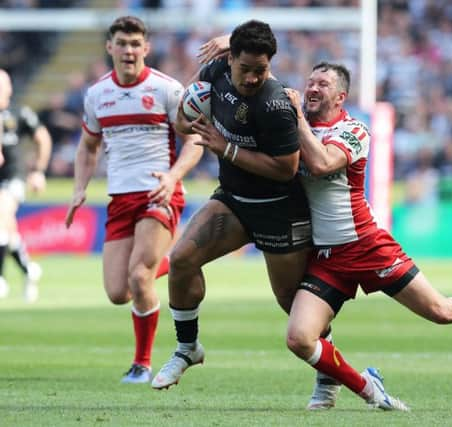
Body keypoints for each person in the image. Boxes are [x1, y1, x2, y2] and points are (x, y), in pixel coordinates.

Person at [283, 62, 452, 411]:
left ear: (340, 96)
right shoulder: (295, 128)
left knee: (441, 311)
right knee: (298, 338)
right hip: (327, 255)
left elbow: (323, 163)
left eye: (321, 84)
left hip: (367, 245)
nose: (311, 87)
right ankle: (368, 389)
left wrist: (294, 117)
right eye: (309, 81)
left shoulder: (354, 130)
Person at [151, 20, 315, 391]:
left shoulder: (275, 104)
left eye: (262, 70)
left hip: (279, 209)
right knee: (181, 261)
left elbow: (286, 169)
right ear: (230, 61)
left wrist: (227, 148)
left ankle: (328, 370)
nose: (254, 78)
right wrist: (186, 111)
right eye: (246, 69)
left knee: (291, 301)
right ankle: (187, 348)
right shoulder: (214, 73)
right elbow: (183, 125)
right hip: (234, 202)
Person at [64, 16, 203, 384]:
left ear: (146, 48)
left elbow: (195, 140)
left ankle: (141, 365)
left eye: (135, 43)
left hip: (159, 192)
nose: (128, 50)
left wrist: (174, 177)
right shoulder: (97, 95)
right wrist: (79, 188)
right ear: (110, 48)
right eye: (122, 43)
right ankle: (177, 262)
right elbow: (88, 146)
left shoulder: (166, 89)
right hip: (120, 198)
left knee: (140, 276)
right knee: (117, 292)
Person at [0, 68, 52, 303]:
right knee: (7, 228)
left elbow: (42, 138)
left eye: (4, 84)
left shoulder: (19, 113)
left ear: (9, 88)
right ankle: (27, 269)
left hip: (13, 177)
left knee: (1, 214)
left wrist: (38, 171)